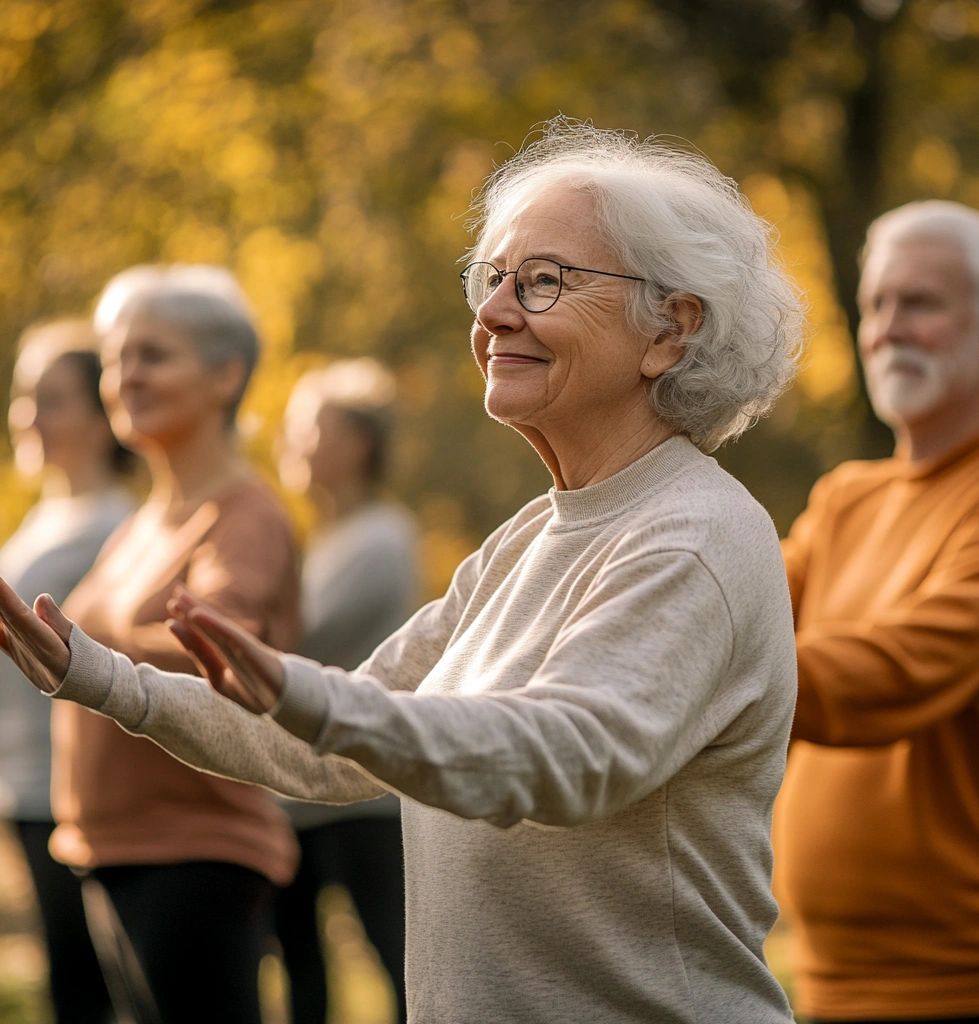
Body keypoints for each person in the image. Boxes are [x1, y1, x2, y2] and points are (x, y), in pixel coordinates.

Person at [0, 121, 804, 1023]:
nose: (495, 312)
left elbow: (566, 755)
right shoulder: (526, 540)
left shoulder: (695, 536)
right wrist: (100, 677)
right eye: (489, 279)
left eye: (542, 282)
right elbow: (325, 746)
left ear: (672, 328)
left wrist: (315, 699)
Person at [773, 201, 979, 1023]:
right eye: (875, 304)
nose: (885, 329)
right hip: (830, 983)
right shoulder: (846, 498)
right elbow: (739, 612)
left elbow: (897, 671)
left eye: (918, 303)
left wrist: (696, 671)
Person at [48, 266, 301, 1024]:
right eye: (117, 358)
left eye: (153, 355)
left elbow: (223, 652)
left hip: (194, 853)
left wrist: (77, 646)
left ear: (226, 375)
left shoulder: (244, 515)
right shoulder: (142, 523)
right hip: (112, 849)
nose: (126, 376)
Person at [0, 320, 134, 1024]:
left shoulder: (118, 523)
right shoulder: (44, 517)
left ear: (101, 413)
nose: (29, 416)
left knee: (91, 991)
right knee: (67, 983)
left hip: (75, 791)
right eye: (25, 397)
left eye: (52, 399)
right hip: (22, 782)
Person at [275, 359, 416, 1024]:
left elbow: (295, 641)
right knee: (300, 970)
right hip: (296, 792)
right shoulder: (319, 544)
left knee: (398, 957)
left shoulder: (381, 540)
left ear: (357, 443)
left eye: (309, 428)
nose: (291, 442)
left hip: (361, 794)